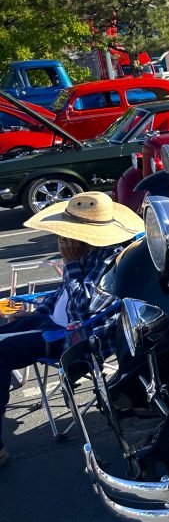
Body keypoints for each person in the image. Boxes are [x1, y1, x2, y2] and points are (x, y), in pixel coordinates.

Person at [0, 193, 143, 468]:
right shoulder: (86, 252)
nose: (61, 238)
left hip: (72, 337)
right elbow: (62, 294)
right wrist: (36, 312)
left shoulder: (111, 260)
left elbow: (83, 310)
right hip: (50, 322)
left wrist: (71, 263)